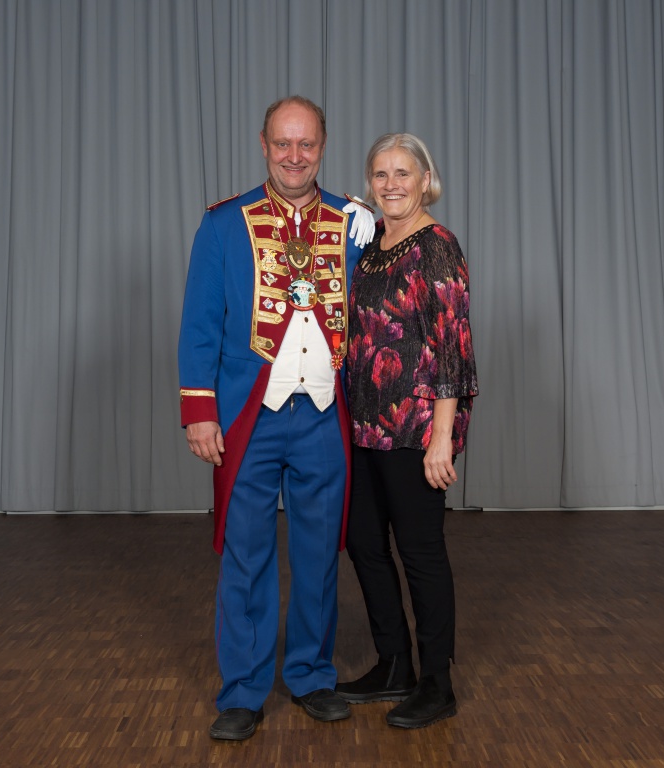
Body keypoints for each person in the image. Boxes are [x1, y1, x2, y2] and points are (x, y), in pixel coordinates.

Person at [178, 96, 374, 741]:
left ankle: (312, 675)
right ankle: (242, 690)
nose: (295, 156)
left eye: (306, 144)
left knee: (319, 554)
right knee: (246, 554)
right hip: (248, 416)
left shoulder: (352, 222)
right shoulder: (223, 224)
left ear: (323, 146)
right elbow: (200, 324)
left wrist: (378, 225)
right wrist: (199, 411)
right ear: (264, 144)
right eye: (283, 143)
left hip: (323, 416)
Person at [336, 133, 478, 729]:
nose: (391, 184)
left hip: (416, 427)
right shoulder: (370, 245)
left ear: (425, 179)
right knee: (364, 544)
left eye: (402, 173)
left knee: (420, 552)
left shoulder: (436, 245)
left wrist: (442, 436)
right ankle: (394, 663)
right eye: (380, 174)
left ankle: (437, 682)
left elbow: (453, 348)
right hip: (362, 424)